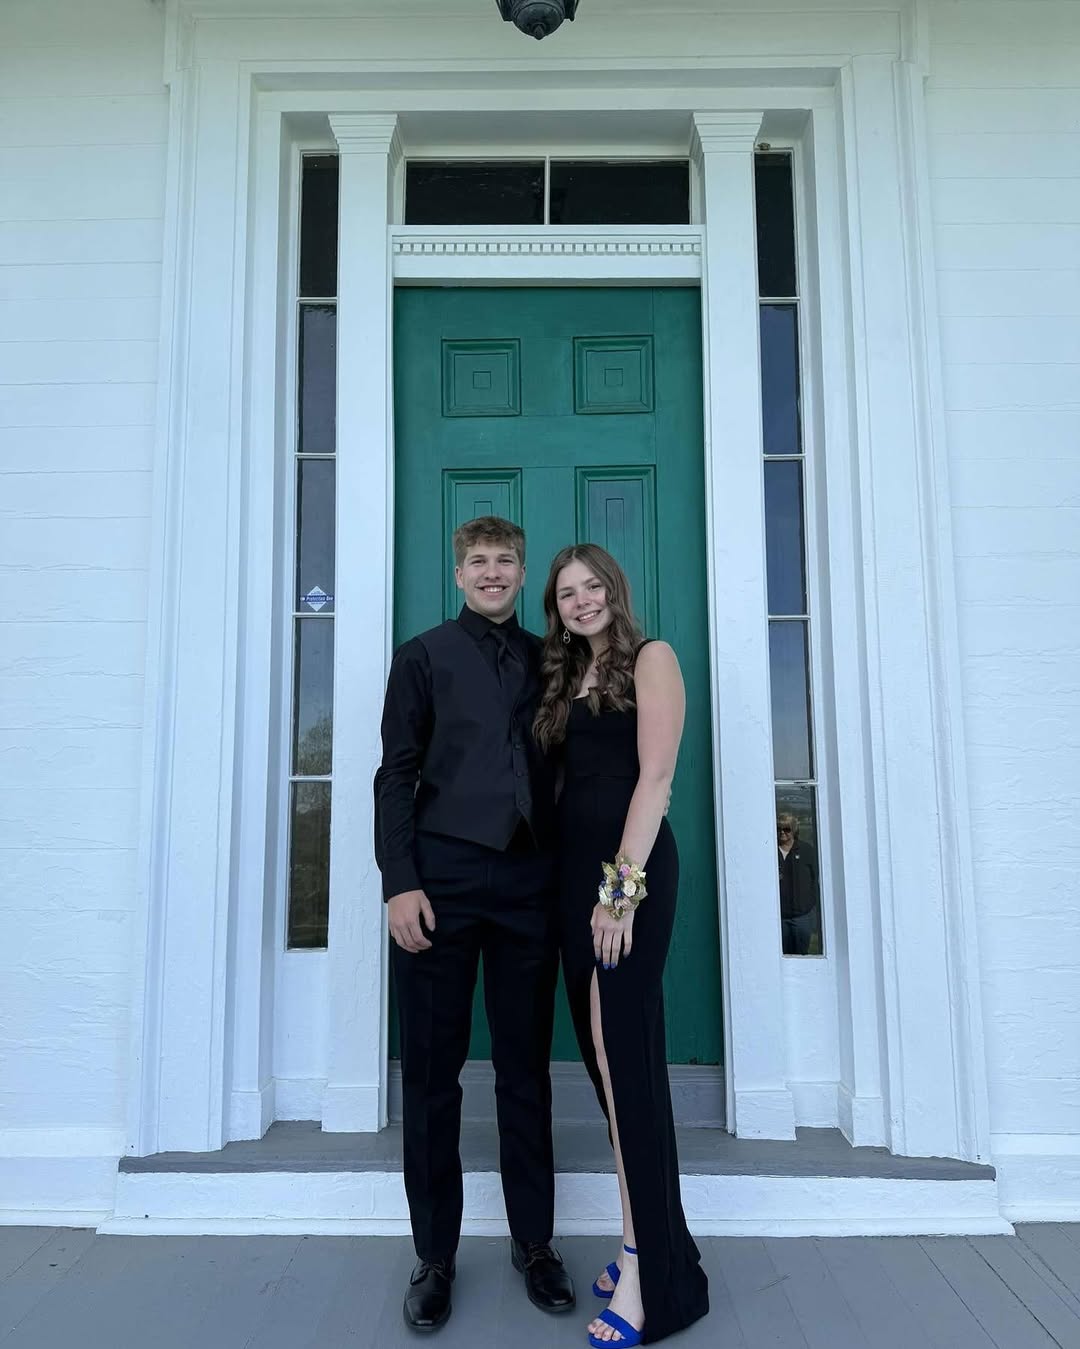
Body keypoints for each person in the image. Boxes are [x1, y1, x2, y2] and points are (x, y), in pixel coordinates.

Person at [374, 516, 575, 1332]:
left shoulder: (550, 659)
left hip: (528, 882)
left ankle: (535, 1241)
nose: (493, 572)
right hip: (441, 882)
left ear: (523, 574)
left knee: (525, 1069)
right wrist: (399, 882)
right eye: (479, 561)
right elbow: (396, 773)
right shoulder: (421, 657)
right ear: (458, 574)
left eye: (506, 561)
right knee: (432, 1074)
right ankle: (434, 1255)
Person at [534, 543, 709, 1348]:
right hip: (574, 883)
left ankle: (648, 1276)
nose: (582, 600)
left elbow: (655, 779)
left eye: (592, 585)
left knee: (627, 1064)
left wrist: (618, 895)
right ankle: (652, 1240)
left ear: (615, 587)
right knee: (610, 1072)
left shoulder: (651, 659)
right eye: (567, 592)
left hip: (624, 881)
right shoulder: (565, 677)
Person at [777, 812, 820, 955]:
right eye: (779, 828)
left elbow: (816, 879)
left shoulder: (807, 850)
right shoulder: (769, 850)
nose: (782, 832)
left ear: (794, 830)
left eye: (786, 829)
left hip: (802, 917)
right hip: (778, 917)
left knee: (801, 956)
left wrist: (811, 905)